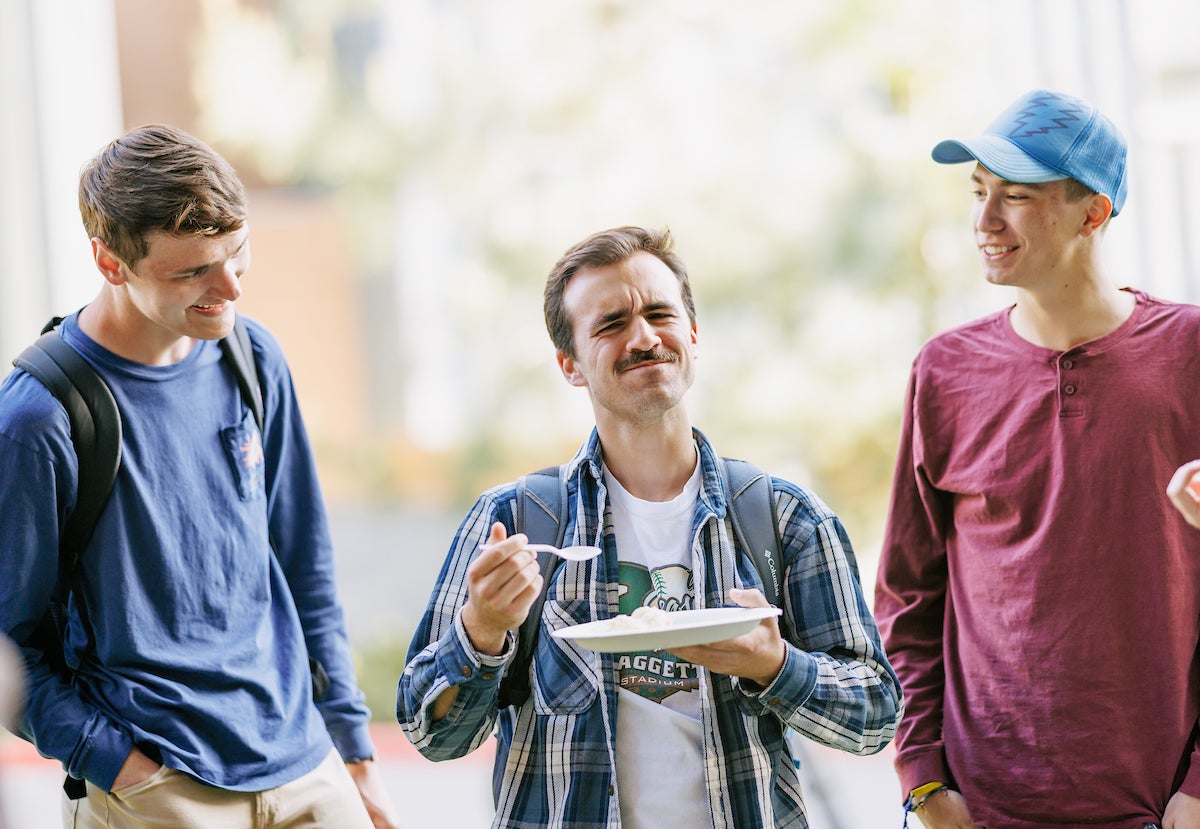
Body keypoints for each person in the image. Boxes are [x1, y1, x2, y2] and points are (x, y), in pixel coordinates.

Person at [396, 225, 902, 828]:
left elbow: (875, 717)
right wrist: (481, 630)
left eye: (659, 314)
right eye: (610, 324)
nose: (642, 337)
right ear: (570, 365)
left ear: (692, 334)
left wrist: (774, 666)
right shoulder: (515, 523)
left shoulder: (785, 518)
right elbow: (432, 736)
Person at [0, 125, 399, 828]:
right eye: (193, 271)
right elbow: (7, 642)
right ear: (110, 261)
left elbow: (305, 563)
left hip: (307, 766)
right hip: (160, 789)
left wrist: (354, 753)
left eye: (237, 252)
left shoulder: (253, 357)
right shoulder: (40, 419)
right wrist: (119, 765)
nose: (232, 285)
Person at [874, 88, 1200, 829]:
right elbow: (905, 596)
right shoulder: (944, 372)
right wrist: (922, 780)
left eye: (1015, 197)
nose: (984, 221)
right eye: (979, 192)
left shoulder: (1190, 355)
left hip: (1160, 808)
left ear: (1093, 214)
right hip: (978, 810)